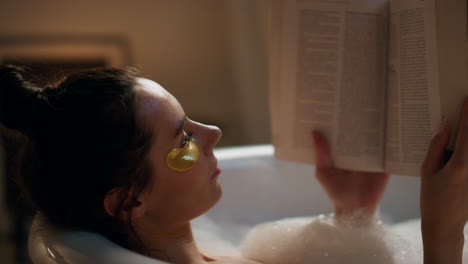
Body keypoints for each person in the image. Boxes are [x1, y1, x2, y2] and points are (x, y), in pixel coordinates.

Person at [0, 64, 465, 264]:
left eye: (192, 121)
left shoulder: (212, 249)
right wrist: (443, 235)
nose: (212, 135)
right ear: (129, 200)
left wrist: (354, 212)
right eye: (183, 140)